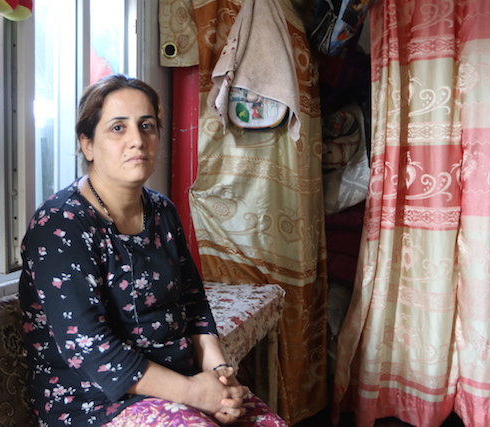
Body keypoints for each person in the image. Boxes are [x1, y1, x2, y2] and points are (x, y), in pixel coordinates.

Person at [19, 74, 288, 427]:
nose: (137, 140)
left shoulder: (161, 210)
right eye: (118, 128)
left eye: (147, 126)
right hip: (95, 404)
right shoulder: (61, 224)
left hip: (180, 383)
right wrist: (196, 394)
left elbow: (193, 303)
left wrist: (220, 377)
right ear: (88, 144)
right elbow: (92, 350)